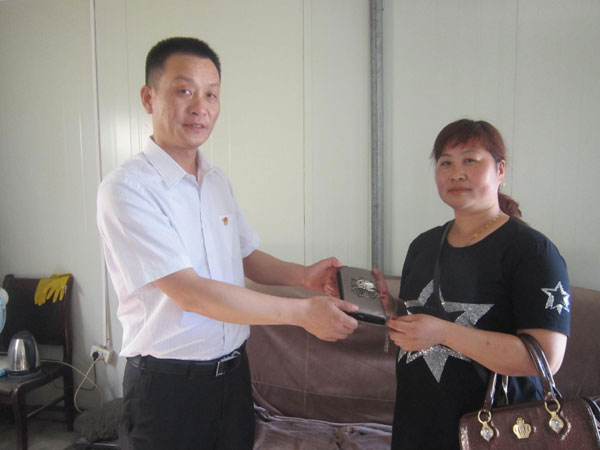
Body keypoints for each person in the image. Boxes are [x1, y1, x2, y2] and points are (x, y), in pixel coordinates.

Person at [96, 37, 358, 450]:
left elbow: (245, 254)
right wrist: (301, 313)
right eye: (184, 91)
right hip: (167, 388)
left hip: (233, 378)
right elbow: (190, 293)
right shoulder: (128, 189)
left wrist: (303, 276)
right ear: (149, 98)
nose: (200, 107)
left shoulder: (216, 181)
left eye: (211, 94)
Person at [374, 119, 570, 450]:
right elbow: (421, 326)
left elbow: (547, 357)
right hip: (417, 424)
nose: (456, 173)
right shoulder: (423, 245)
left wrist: (443, 333)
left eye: (470, 160)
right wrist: (389, 307)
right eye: (445, 163)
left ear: (500, 170)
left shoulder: (533, 251)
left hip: (494, 431)